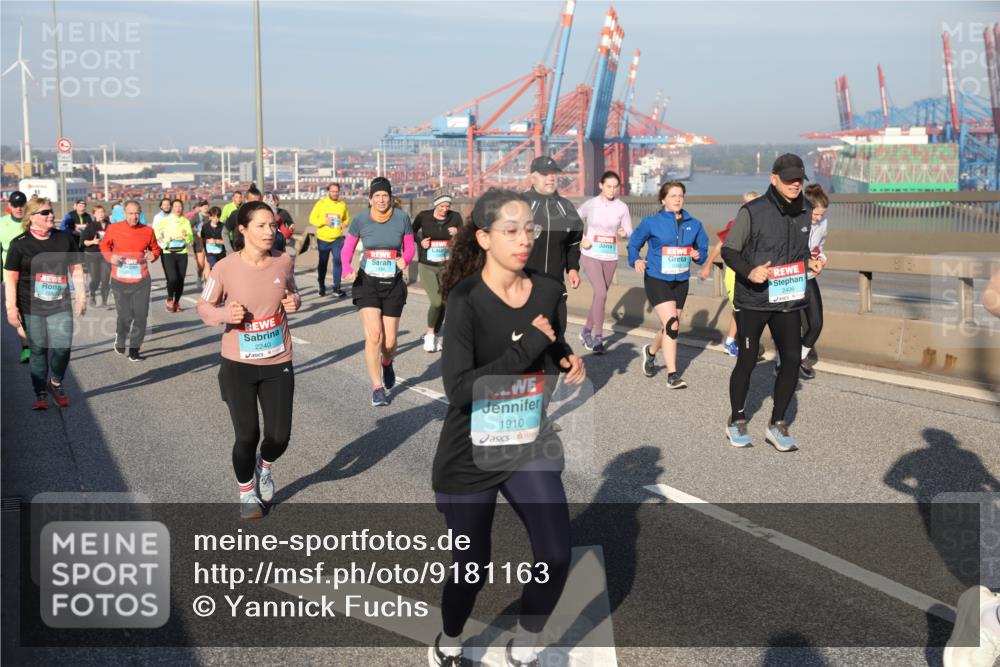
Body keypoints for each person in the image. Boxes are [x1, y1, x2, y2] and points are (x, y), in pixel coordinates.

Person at [428, 189, 585, 667]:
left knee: (557, 555)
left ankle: (526, 644)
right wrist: (529, 346)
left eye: (529, 231)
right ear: (484, 236)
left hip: (526, 439)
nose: (524, 240)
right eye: (511, 231)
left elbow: (551, 341)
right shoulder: (466, 299)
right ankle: (450, 642)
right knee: (472, 569)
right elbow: (458, 389)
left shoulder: (546, 288)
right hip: (470, 450)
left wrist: (563, 357)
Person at [197, 200, 301, 520]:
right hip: (238, 364)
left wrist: (295, 300)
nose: (270, 231)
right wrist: (224, 314)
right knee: (247, 435)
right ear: (243, 230)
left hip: (277, 359)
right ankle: (246, 492)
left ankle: (264, 466)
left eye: (273, 225)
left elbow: (292, 292)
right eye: (261, 225)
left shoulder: (283, 262)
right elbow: (204, 307)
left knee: (279, 437)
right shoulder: (225, 267)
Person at [721, 154, 822, 451]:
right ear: (773, 178)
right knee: (748, 360)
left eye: (799, 179)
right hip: (753, 298)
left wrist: (810, 265)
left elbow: (800, 252)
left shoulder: (806, 209)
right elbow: (729, 251)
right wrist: (750, 271)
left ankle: (777, 424)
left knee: (791, 358)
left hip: (787, 297)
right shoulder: (753, 211)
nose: (795, 184)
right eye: (789, 179)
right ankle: (736, 419)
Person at [3, 197, 86, 409]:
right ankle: (40, 392)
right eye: (45, 212)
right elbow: (10, 278)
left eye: (50, 211)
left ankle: (56, 382)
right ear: (32, 218)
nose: (51, 215)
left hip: (60, 303)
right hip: (31, 306)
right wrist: (11, 308)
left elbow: (75, 269)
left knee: (62, 347)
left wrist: (82, 296)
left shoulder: (64, 239)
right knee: (38, 350)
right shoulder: (19, 244)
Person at [340, 177, 415, 407]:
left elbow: (410, 246)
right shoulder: (361, 219)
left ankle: (386, 363)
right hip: (367, 282)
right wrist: (346, 267)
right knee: (374, 335)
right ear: (370, 198)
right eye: (377, 196)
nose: (382, 200)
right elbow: (348, 248)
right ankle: (376, 387)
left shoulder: (402, 218)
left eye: (385, 196)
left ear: (391, 198)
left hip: (392, 282)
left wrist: (406, 259)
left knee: (390, 341)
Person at [628, 181, 709, 389]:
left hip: (681, 280)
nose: (678, 199)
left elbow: (703, 251)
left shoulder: (694, 224)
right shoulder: (651, 222)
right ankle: (673, 375)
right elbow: (634, 244)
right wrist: (635, 259)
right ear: (663, 199)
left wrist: (698, 255)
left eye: (680, 195)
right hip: (656, 277)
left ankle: (651, 352)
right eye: (673, 196)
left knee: (670, 325)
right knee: (672, 324)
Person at [523, 157, 583, 338]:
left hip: (555, 284)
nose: (550, 178)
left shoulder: (565, 207)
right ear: (532, 177)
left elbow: (574, 240)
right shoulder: (519, 204)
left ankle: (551, 367)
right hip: (525, 286)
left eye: (554, 174)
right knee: (527, 339)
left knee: (557, 335)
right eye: (544, 174)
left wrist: (572, 268)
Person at [576, 170, 632, 354]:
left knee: (599, 297)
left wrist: (624, 232)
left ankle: (585, 332)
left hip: (610, 257)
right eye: (608, 186)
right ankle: (598, 339)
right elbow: (574, 219)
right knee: (601, 293)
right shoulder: (591, 204)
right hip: (591, 254)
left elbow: (629, 230)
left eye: (615, 187)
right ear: (601, 185)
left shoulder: (622, 207)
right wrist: (582, 237)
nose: (612, 190)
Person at [699, 191, 760, 357]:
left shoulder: (761, 225)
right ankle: (736, 343)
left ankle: (732, 341)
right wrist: (706, 266)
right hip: (734, 273)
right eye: (750, 205)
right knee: (740, 308)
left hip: (750, 273)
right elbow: (720, 246)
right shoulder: (735, 224)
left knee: (742, 308)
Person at [101, 200, 162, 361]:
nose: (134, 216)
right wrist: (110, 257)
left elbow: (156, 249)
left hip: (141, 280)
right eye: (131, 213)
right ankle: (120, 338)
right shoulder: (114, 228)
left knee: (141, 316)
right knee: (125, 315)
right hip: (119, 280)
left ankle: (135, 350)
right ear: (124, 213)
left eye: (137, 213)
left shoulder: (148, 231)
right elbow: (104, 246)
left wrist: (153, 255)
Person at [412, 189, 462, 352]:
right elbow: (411, 232)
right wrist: (421, 242)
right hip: (427, 265)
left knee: (445, 303)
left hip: (446, 266)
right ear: (435, 204)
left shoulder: (455, 217)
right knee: (436, 301)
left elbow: (466, 236)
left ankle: (436, 334)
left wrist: (458, 233)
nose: (445, 209)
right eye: (441, 206)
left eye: (447, 205)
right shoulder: (423, 216)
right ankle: (430, 334)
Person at [796, 183, 829, 380]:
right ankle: (784, 363)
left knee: (816, 323)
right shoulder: (793, 220)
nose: (818, 219)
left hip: (808, 277)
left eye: (822, 215)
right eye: (815, 215)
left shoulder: (823, 222)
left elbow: (820, 246)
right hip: (790, 278)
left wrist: (822, 259)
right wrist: (807, 261)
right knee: (791, 327)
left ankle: (799, 357)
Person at [0, 191, 31, 362]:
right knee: (17, 311)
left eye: (22, 205)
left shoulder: (31, 221)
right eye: (15, 205)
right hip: (10, 275)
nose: (19, 208)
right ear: (9, 206)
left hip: (32, 273)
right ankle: (26, 347)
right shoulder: (1, 223)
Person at [308, 182, 351, 297]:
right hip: (323, 239)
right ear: (328, 191)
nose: (335, 193)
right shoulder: (321, 203)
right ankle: (321, 285)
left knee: (338, 260)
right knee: (323, 263)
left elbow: (347, 218)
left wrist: (344, 224)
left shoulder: (342, 204)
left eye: (337, 191)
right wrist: (324, 221)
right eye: (332, 191)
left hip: (337, 238)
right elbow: (312, 219)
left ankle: (337, 287)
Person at [154, 199, 194, 313]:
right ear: (172, 207)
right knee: (172, 278)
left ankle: (177, 302)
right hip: (168, 253)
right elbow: (157, 234)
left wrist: (186, 237)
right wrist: (165, 239)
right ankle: (170, 298)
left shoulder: (185, 221)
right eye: (176, 206)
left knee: (181, 280)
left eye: (180, 206)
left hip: (182, 253)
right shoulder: (164, 221)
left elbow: (190, 238)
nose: (178, 208)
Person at [79, 204, 112, 307]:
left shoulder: (110, 226)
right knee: (95, 279)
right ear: (94, 214)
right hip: (92, 255)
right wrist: (93, 242)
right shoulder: (91, 226)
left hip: (106, 255)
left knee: (105, 279)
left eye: (102, 212)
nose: (101, 214)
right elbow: (83, 242)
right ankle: (92, 295)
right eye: (98, 212)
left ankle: (104, 301)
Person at [187, 199, 211, 289]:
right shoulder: (196, 217)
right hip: (199, 243)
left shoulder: (211, 216)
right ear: (199, 208)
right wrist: (196, 232)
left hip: (209, 243)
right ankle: (199, 276)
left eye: (206, 205)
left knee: (208, 263)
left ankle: (207, 282)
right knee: (201, 264)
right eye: (202, 206)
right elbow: (188, 227)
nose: (205, 207)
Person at [202, 206, 227, 271]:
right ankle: (210, 280)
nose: (216, 219)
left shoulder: (223, 227)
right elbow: (203, 239)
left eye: (218, 217)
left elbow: (226, 241)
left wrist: (216, 241)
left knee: (221, 270)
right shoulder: (205, 227)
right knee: (215, 267)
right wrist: (204, 250)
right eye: (213, 217)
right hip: (210, 253)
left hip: (221, 253)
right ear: (209, 217)